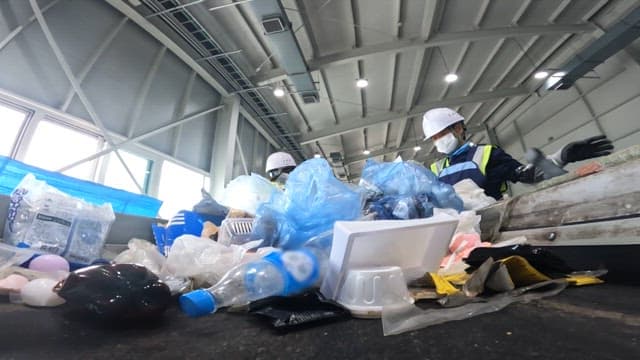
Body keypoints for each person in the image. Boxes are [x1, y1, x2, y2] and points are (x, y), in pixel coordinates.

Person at [422, 107, 613, 200]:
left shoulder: (487, 154)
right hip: (455, 234)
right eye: (434, 137)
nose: (438, 140)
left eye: (442, 134)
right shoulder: (434, 170)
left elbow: (527, 175)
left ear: (458, 128)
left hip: (492, 226)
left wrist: (562, 156)